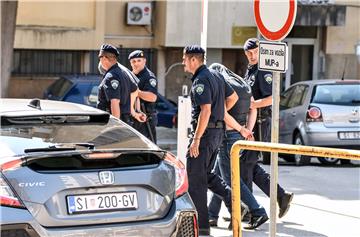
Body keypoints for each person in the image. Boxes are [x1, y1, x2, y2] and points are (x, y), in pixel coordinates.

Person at [183, 45, 241, 236]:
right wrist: (221, 112)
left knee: (195, 180)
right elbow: (233, 97)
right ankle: (233, 199)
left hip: (205, 135)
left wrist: (196, 139)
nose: (183, 62)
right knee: (205, 174)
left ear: (193, 60)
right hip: (217, 134)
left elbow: (205, 110)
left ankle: (201, 228)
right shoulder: (216, 75)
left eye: (185, 59)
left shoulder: (201, 79)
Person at [207, 63, 269, 230]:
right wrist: (247, 129)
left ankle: (257, 211)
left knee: (231, 179)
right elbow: (253, 107)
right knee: (218, 175)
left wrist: (240, 128)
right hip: (238, 136)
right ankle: (211, 214)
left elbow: (223, 114)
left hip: (227, 136)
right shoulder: (242, 83)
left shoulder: (220, 84)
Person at [242, 38, 294, 218]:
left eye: (255, 52)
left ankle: (249, 210)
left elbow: (273, 97)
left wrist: (254, 105)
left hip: (260, 122)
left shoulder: (263, 71)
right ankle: (281, 196)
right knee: (249, 165)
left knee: (246, 165)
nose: (252, 55)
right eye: (249, 53)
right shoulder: (250, 71)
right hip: (251, 122)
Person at [97, 44, 145, 125]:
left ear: (104, 58)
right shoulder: (123, 72)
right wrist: (133, 113)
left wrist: (116, 126)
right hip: (125, 121)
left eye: (100, 58)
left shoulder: (111, 76)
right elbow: (135, 90)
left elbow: (115, 102)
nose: (100, 61)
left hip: (113, 123)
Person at [128, 50, 158, 143]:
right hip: (133, 117)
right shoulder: (130, 75)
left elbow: (152, 97)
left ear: (144, 61)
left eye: (139, 60)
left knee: (148, 148)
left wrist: (137, 92)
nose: (136, 63)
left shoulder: (149, 77)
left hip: (146, 120)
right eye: (133, 61)